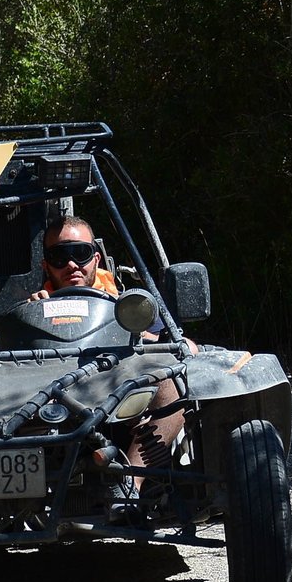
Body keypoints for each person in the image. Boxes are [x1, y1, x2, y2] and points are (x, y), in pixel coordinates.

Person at [30, 215, 186, 504]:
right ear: (46, 265)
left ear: (96, 259)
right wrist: (34, 316)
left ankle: (129, 482)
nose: (72, 264)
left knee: (170, 385)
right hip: (50, 401)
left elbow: (168, 346)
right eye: (59, 256)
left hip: (119, 393)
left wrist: (166, 342)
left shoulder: (129, 306)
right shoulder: (32, 308)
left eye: (81, 253)